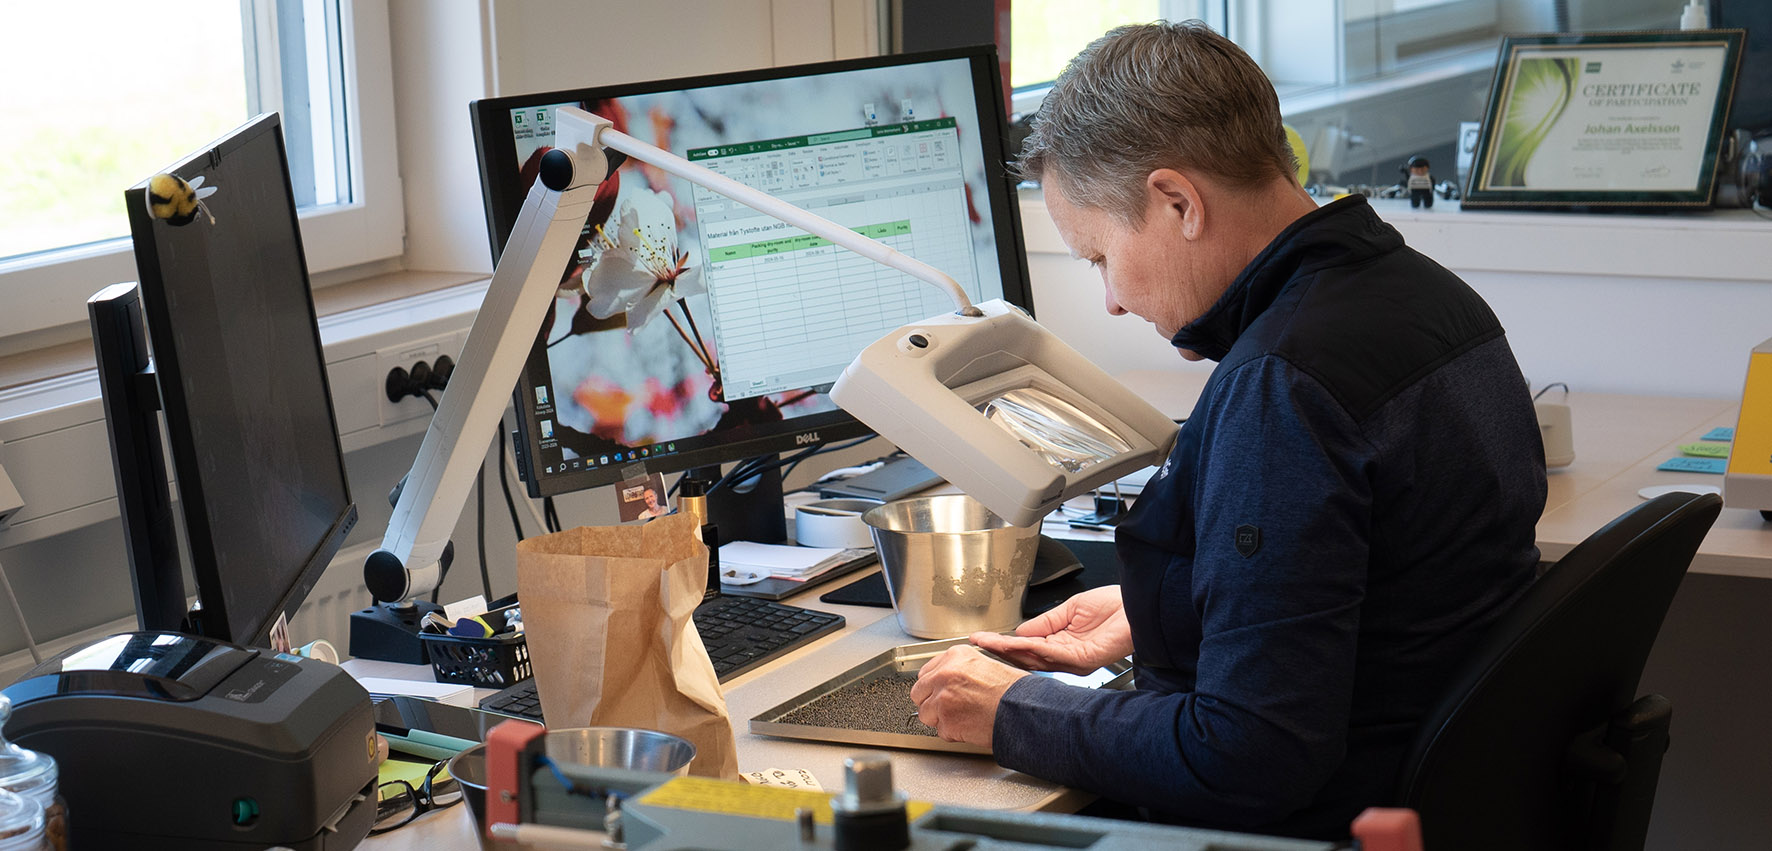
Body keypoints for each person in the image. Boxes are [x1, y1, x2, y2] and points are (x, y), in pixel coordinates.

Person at [908, 21, 1547, 840]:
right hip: (1450, 793)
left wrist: (1014, 709)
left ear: (1179, 203)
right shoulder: (1430, 299)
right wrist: (1171, 606)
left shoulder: (1284, 385)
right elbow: (1392, 588)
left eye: (1101, 257)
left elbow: (1246, 755)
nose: (1109, 300)